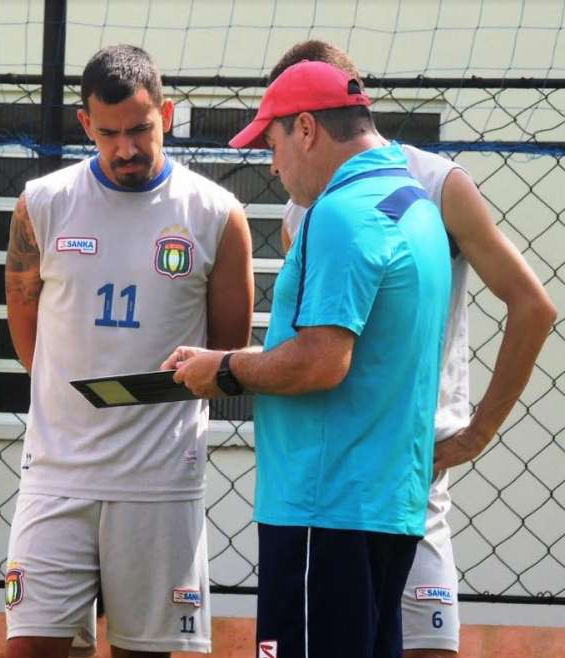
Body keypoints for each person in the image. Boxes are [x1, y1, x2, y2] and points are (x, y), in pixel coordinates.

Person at [273, 41, 557, 658]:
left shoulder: (437, 182)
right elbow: (317, 346)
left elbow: (533, 306)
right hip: (336, 476)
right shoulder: (303, 205)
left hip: (412, 474)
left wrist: (476, 435)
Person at [165, 60, 454, 658]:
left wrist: (225, 370)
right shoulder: (414, 205)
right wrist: (230, 355)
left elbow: (323, 362)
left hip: (323, 510)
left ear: (305, 129)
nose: (272, 165)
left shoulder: (341, 213)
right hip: (384, 505)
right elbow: (360, 353)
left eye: (272, 144)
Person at [4, 44, 254, 658]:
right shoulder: (42, 203)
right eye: (109, 132)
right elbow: (25, 326)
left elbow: (227, 356)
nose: (126, 148)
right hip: (55, 476)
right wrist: (70, 402)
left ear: (165, 114)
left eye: (141, 128)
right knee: (29, 647)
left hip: (159, 482)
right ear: (85, 123)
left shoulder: (217, 214)